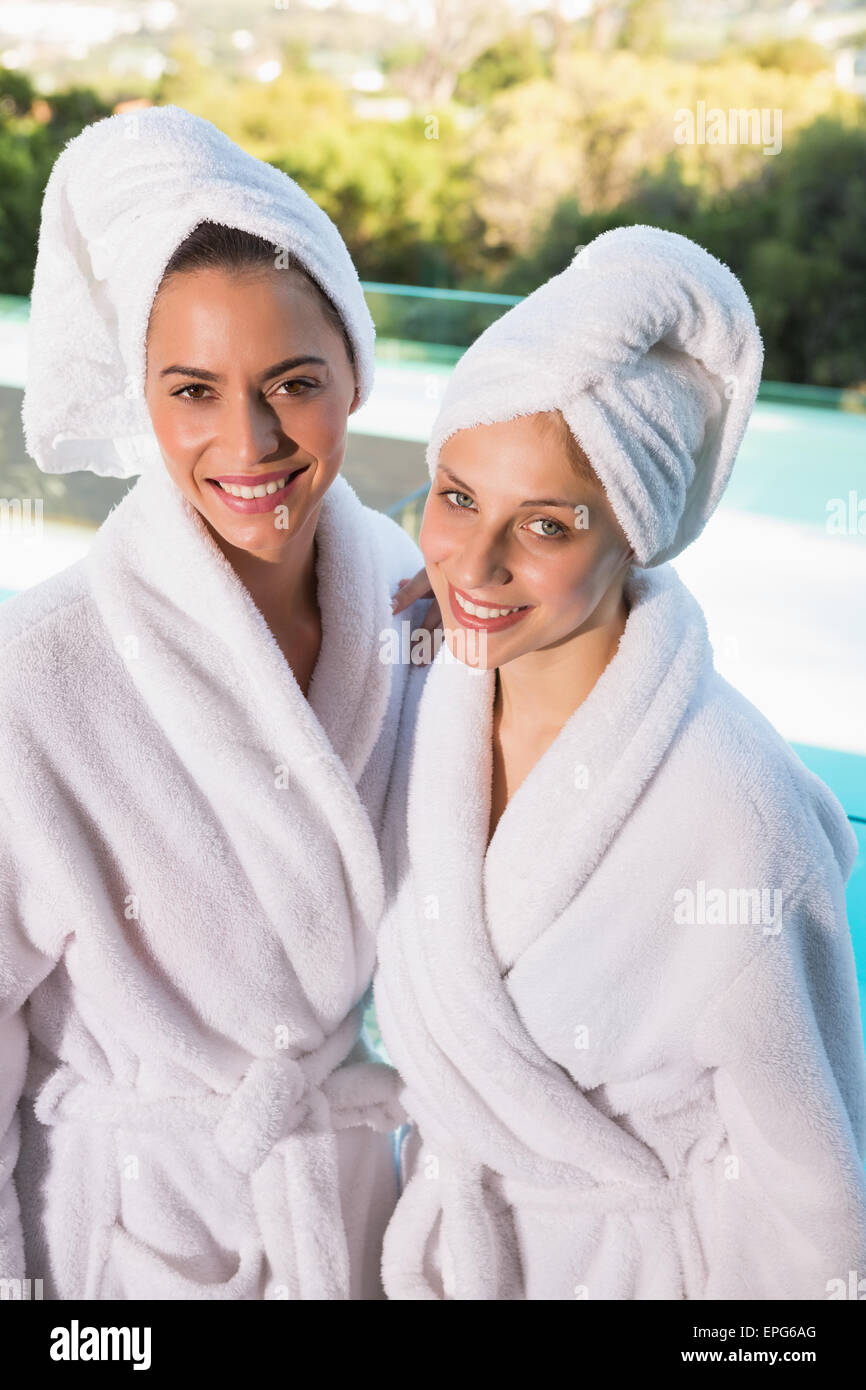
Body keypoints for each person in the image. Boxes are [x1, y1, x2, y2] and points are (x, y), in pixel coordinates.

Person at [379, 225, 866, 1300]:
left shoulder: (738, 810)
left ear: (630, 535)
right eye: (455, 497)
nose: (476, 562)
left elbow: (810, 1196)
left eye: (545, 526)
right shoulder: (417, 705)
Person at [0, 105, 426, 1300]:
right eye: (194, 389)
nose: (248, 441)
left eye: (292, 382)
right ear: (146, 397)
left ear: (354, 375)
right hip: (120, 1247)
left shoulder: (413, 616)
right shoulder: (38, 672)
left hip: (348, 1222)